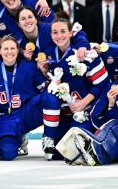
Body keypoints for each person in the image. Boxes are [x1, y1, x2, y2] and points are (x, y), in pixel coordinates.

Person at [0, 36, 60, 161]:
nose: (9, 51)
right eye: (5, 48)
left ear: (18, 51)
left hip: (26, 113)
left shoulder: (29, 66)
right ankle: (18, 138)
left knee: (50, 97)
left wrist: (47, 75)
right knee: (7, 153)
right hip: (5, 118)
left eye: (12, 48)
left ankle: (49, 140)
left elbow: (44, 89)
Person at [40, 17, 109, 160]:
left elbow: (103, 84)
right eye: (55, 32)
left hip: (85, 111)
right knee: (58, 154)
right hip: (65, 111)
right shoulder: (49, 54)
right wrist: (44, 71)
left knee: (73, 151)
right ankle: (49, 138)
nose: (59, 36)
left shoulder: (85, 52)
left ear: (71, 33)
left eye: (63, 31)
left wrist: (83, 103)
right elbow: (54, 85)